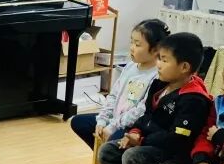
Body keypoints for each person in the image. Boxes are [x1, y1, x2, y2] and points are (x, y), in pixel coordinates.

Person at [98, 32, 212, 164]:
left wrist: (142, 140)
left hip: (172, 152)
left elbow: (177, 138)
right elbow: (147, 114)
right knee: (108, 151)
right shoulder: (159, 83)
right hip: (148, 142)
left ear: (184, 67)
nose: (158, 64)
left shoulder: (194, 99)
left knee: (132, 156)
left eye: (164, 60)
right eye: (158, 58)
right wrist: (135, 132)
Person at [69, 18, 166, 149]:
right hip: (114, 119)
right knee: (79, 122)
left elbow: (141, 110)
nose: (132, 48)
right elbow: (113, 95)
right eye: (131, 42)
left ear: (155, 50)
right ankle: (103, 155)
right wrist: (102, 120)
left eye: (137, 45)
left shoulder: (157, 75)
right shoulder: (130, 66)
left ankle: (107, 155)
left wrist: (113, 127)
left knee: (113, 140)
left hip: (132, 127)